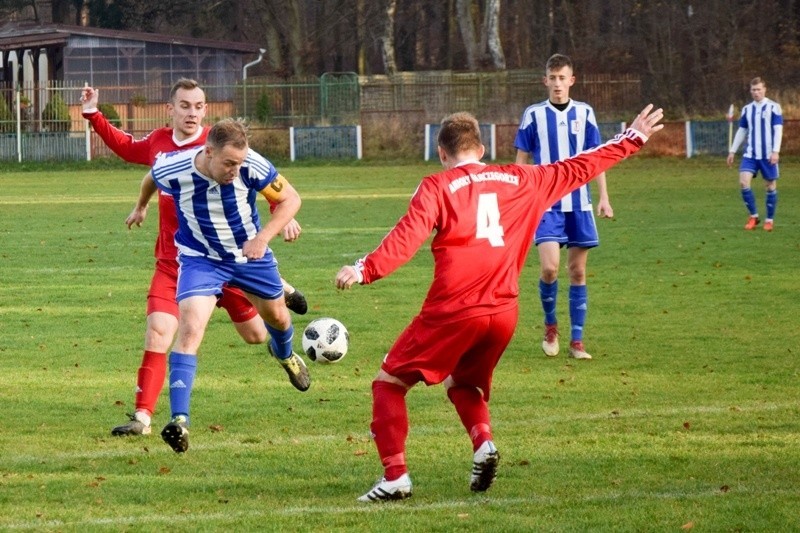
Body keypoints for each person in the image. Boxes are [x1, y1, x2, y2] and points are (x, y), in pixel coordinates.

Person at [335, 105, 664, 501]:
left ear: (442, 153)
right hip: (503, 312)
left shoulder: (436, 186)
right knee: (464, 382)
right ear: (482, 146)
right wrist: (633, 138)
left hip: (454, 310)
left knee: (388, 383)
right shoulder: (524, 178)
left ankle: (396, 476)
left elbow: (406, 238)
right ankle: (483, 444)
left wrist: (364, 268)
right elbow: (581, 167)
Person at [80, 79, 308, 437]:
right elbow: (135, 160)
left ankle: (278, 304)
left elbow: (272, 186)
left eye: (198, 106)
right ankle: (151, 418)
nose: (191, 112)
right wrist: (93, 116)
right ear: (170, 109)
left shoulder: (231, 151)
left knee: (257, 334)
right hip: (187, 260)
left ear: (206, 112)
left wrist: (280, 218)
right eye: (184, 105)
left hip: (241, 256)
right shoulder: (164, 152)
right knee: (168, 331)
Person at [150, 118, 309, 453]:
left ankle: (285, 355)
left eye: (240, 162)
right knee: (191, 329)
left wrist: (263, 238)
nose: (236, 169)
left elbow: (292, 199)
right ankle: (179, 420)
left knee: (279, 319)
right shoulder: (176, 167)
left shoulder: (252, 164)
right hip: (200, 260)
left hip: (250, 255)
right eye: (229, 163)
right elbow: (151, 177)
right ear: (208, 152)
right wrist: (139, 207)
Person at [514, 53, 612, 361]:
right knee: (549, 268)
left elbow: (597, 160)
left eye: (562, 78)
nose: (557, 84)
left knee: (578, 271)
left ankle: (577, 341)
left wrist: (604, 198)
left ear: (572, 80)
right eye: (552, 78)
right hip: (545, 204)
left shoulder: (585, 113)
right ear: (545, 81)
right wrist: (520, 200)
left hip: (579, 204)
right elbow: (521, 163)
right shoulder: (533, 115)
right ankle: (551, 325)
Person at [726, 77, 783, 232]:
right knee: (744, 182)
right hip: (750, 154)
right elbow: (742, 130)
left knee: (770, 186)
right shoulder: (747, 109)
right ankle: (754, 216)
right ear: (750, 91)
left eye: (758, 89)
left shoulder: (774, 107)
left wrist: (776, 151)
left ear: (764, 89)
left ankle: (769, 220)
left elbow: (778, 130)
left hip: (768, 154)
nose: (756, 92)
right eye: (753, 90)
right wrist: (732, 150)